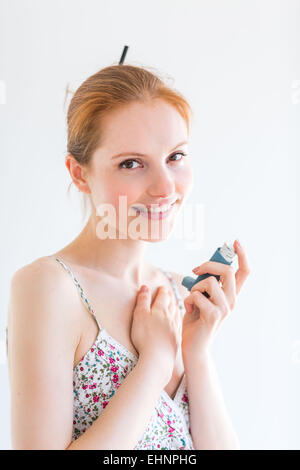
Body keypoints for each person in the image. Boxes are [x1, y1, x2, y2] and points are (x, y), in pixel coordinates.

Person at [6, 64, 250, 450]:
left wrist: (196, 352)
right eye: (131, 163)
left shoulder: (172, 290)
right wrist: (153, 364)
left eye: (175, 156)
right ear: (79, 174)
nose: (165, 187)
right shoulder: (49, 287)